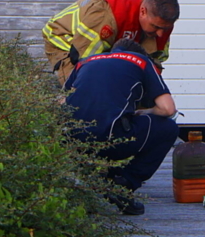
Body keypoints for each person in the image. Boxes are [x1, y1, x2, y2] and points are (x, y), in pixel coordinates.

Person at [64, 38, 178, 215]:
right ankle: (123, 185)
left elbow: (62, 101)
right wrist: (144, 112)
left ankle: (89, 180)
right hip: (111, 139)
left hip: (73, 142)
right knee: (168, 128)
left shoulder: (84, 62)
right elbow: (168, 109)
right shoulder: (141, 61)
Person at [42, 0, 179, 86]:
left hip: (102, 44)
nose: (160, 34)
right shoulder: (108, 12)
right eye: (156, 27)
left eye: (165, 29)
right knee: (83, 90)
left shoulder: (159, 19)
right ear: (142, 12)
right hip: (66, 39)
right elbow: (84, 61)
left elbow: (151, 65)